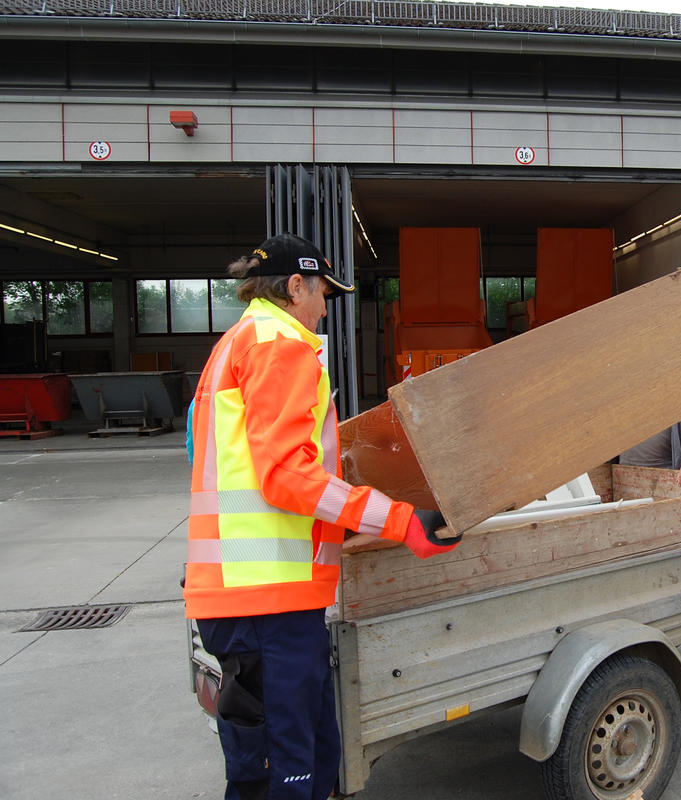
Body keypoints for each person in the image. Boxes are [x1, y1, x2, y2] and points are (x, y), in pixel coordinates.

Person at [184, 233, 461, 800]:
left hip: (240, 592)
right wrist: (399, 519)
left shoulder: (233, 345)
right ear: (295, 286)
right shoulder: (281, 346)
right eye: (322, 294)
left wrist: (338, 517)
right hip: (271, 600)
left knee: (273, 761)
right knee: (292, 769)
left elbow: (212, 458)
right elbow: (286, 477)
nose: (324, 307)